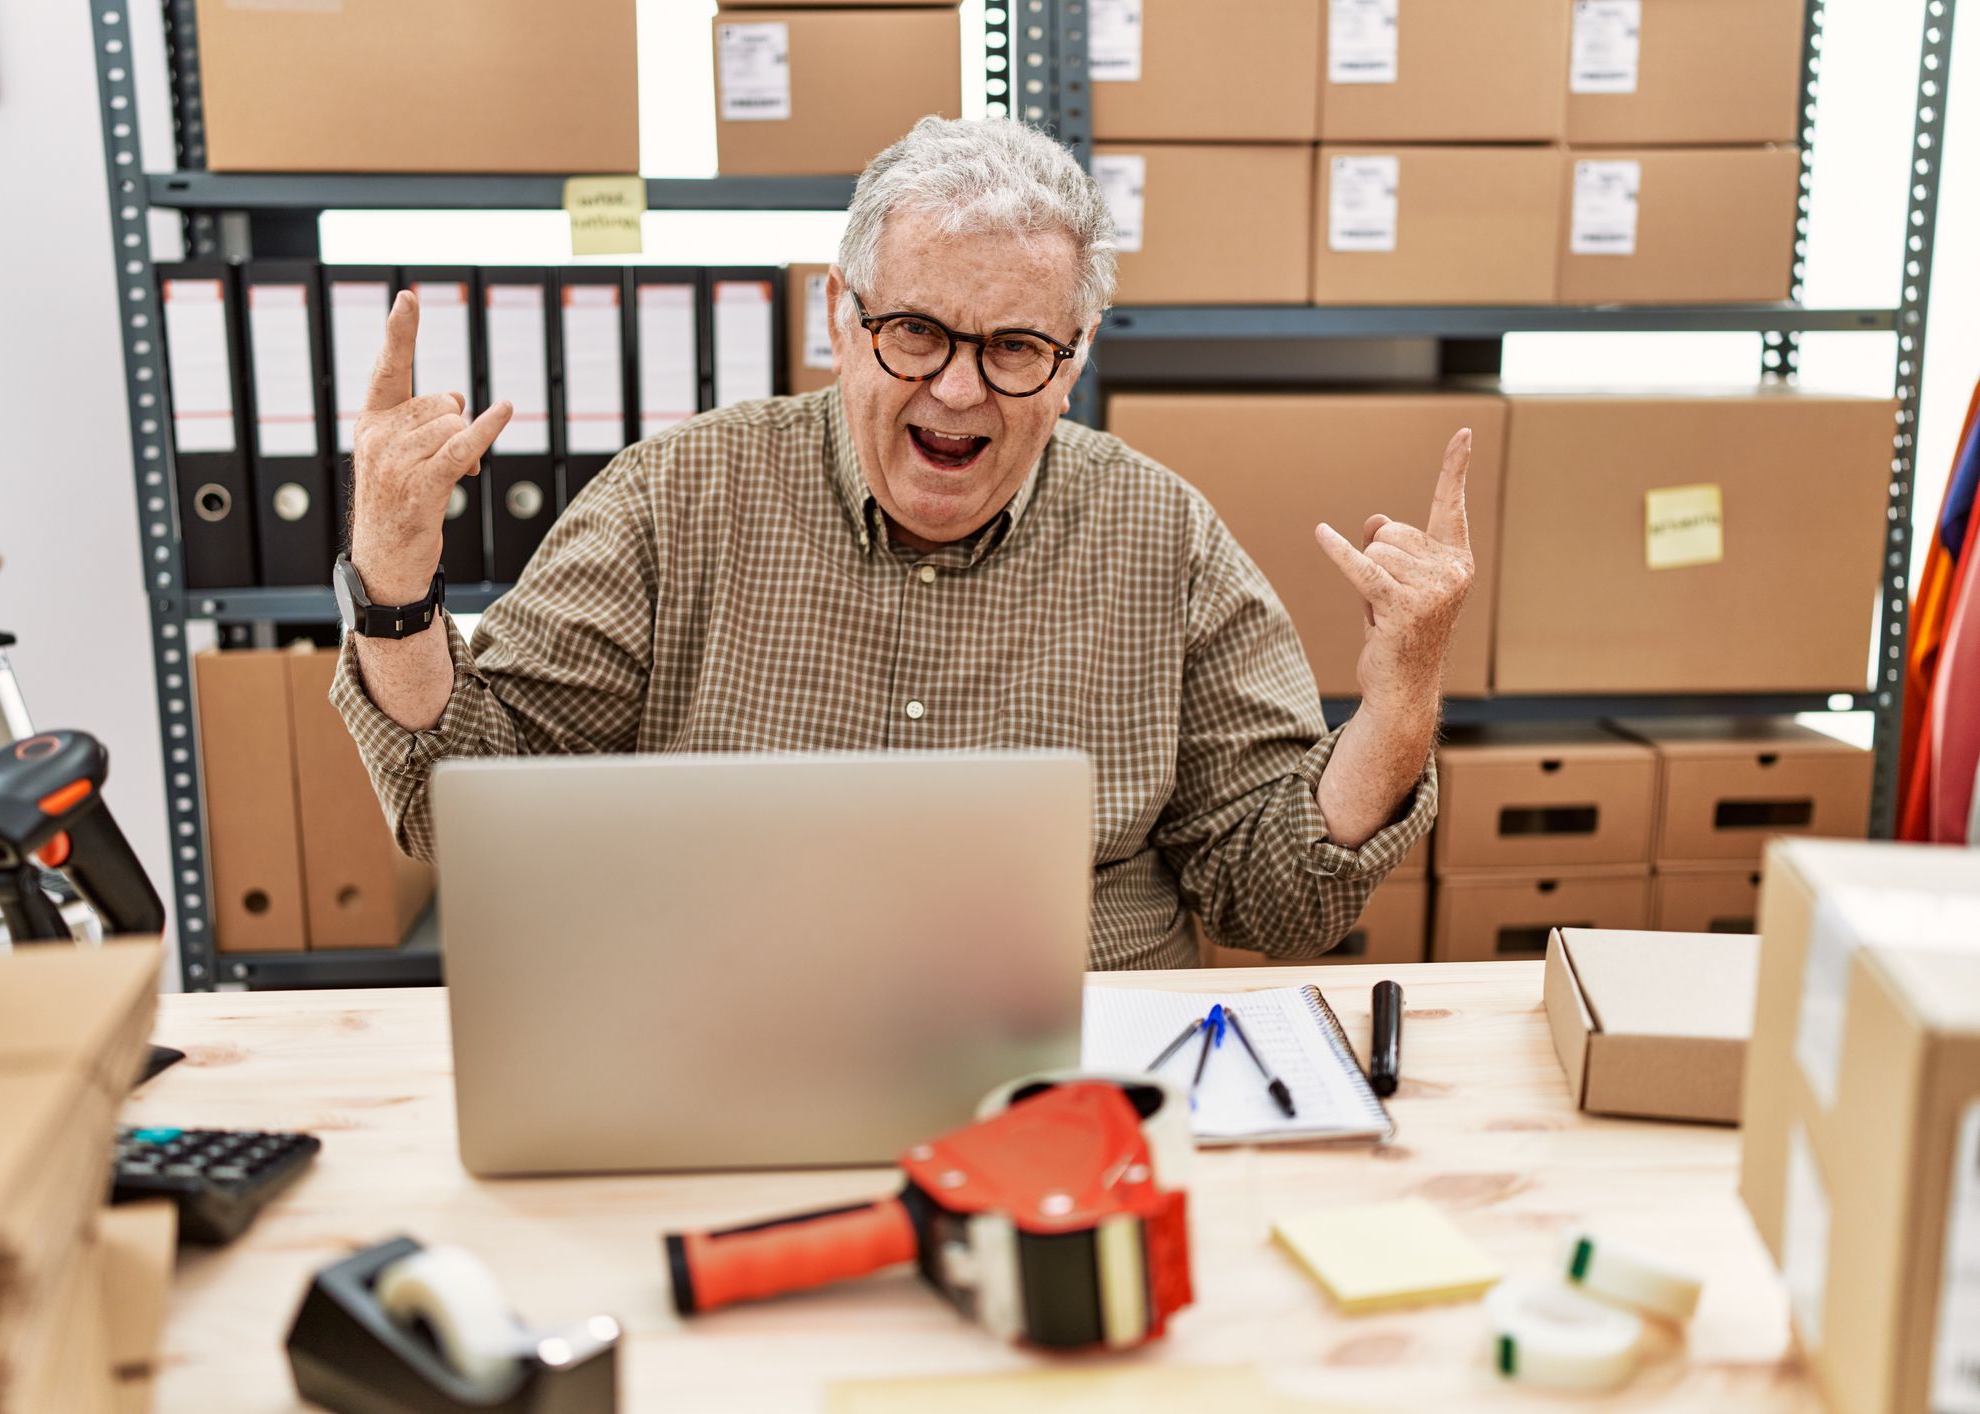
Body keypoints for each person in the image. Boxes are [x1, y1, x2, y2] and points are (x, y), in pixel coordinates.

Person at [331, 116, 1471, 970]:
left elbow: (1276, 899)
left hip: (1081, 1065)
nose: (960, 389)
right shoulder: (673, 498)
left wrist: (1400, 707)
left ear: (1074, 361)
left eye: (1017, 346)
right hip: (728, 1035)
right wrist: (394, 581)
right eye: (915, 331)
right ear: (839, 314)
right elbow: (466, 806)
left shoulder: (1164, 537)